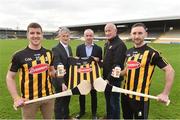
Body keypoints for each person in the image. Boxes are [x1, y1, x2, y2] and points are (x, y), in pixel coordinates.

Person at [119, 23, 175, 119]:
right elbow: (126, 71)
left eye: (140, 33)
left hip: (140, 98)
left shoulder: (152, 53)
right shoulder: (128, 52)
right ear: (131, 35)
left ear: (146, 34)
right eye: (134, 33)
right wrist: (119, 73)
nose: (136, 36)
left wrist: (165, 94)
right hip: (125, 95)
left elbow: (170, 71)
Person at [6, 22, 55, 119]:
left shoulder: (49, 53)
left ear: (42, 35)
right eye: (32, 33)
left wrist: (56, 73)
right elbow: (10, 77)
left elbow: (51, 72)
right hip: (29, 100)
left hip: (48, 97)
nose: (35, 36)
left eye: (38, 33)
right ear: (27, 35)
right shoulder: (19, 55)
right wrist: (16, 98)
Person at [75, 29, 102, 119]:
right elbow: (78, 62)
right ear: (84, 36)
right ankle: (82, 111)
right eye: (87, 35)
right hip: (82, 75)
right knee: (81, 94)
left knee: (93, 95)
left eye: (90, 35)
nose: (89, 37)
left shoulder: (98, 48)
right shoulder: (79, 48)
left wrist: (97, 60)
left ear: (93, 36)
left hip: (93, 76)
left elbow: (100, 63)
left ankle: (94, 113)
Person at [103, 23, 127, 119]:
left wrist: (108, 79)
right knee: (108, 101)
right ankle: (109, 117)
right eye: (106, 31)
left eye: (109, 30)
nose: (107, 33)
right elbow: (107, 61)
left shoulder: (120, 45)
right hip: (106, 79)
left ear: (115, 31)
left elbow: (117, 64)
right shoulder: (107, 43)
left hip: (114, 80)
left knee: (114, 103)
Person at [52, 27, 73, 119]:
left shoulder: (69, 47)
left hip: (69, 79)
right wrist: (62, 82)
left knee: (67, 99)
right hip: (59, 80)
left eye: (67, 36)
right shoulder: (55, 49)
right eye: (63, 36)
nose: (65, 38)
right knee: (60, 101)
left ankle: (66, 116)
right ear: (60, 36)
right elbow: (58, 65)